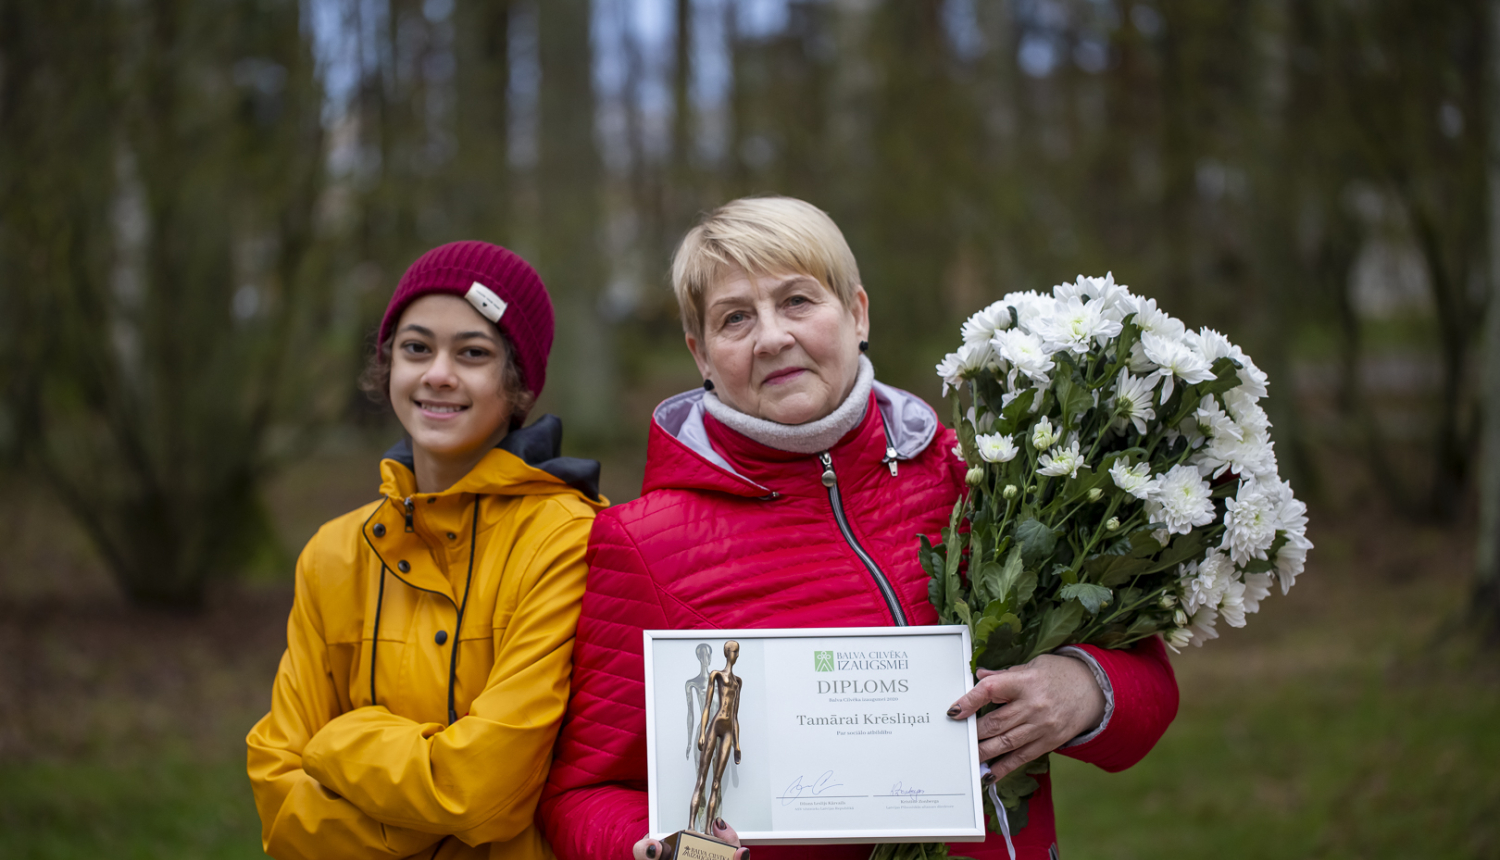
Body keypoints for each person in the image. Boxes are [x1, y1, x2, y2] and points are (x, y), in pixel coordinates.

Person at [538, 197, 1179, 860]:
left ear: (857, 313)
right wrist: (667, 851)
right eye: (735, 318)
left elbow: (1148, 692)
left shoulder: (978, 479)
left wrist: (1079, 689)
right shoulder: (643, 543)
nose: (771, 337)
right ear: (700, 354)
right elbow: (583, 793)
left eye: (796, 302)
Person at [247, 241, 607, 860]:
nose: (438, 374)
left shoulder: (566, 540)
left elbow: (482, 790)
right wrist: (430, 793)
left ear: (516, 384)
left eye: (472, 353)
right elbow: (279, 801)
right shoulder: (333, 554)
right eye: (416, 348)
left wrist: (337, 743)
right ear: (390, 368)